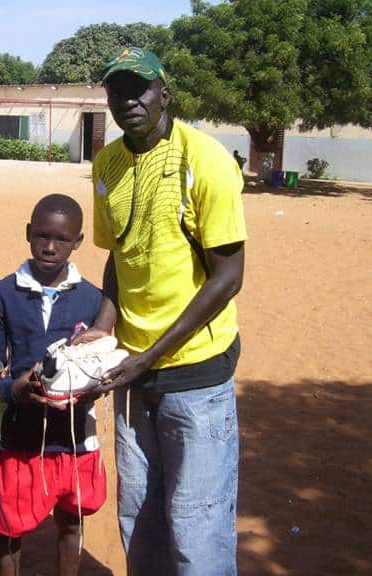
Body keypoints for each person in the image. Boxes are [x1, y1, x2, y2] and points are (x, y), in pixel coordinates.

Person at [83, 47, 247, 575]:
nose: (128, 100)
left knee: (197, 525)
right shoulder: (107, 162)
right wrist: (105, 327)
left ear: (164, 94)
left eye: (140, 89)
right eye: (117, 91)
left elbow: (228, 277)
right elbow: (119, 256)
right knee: (140, 515)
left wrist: (149, 355)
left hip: (196, 373)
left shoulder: (205, 159)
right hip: (131, 373)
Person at [0, 194, 107, 576]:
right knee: (9, 527)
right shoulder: (1, 293)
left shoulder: (93, 299)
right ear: (27, 233)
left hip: (75, 437)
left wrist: (93, 386)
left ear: (78, 241)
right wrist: (13, 390)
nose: (50, 247)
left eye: (62, 239)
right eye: (41, 236)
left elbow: (99, 361)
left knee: (71, 522)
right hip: (19, 434)